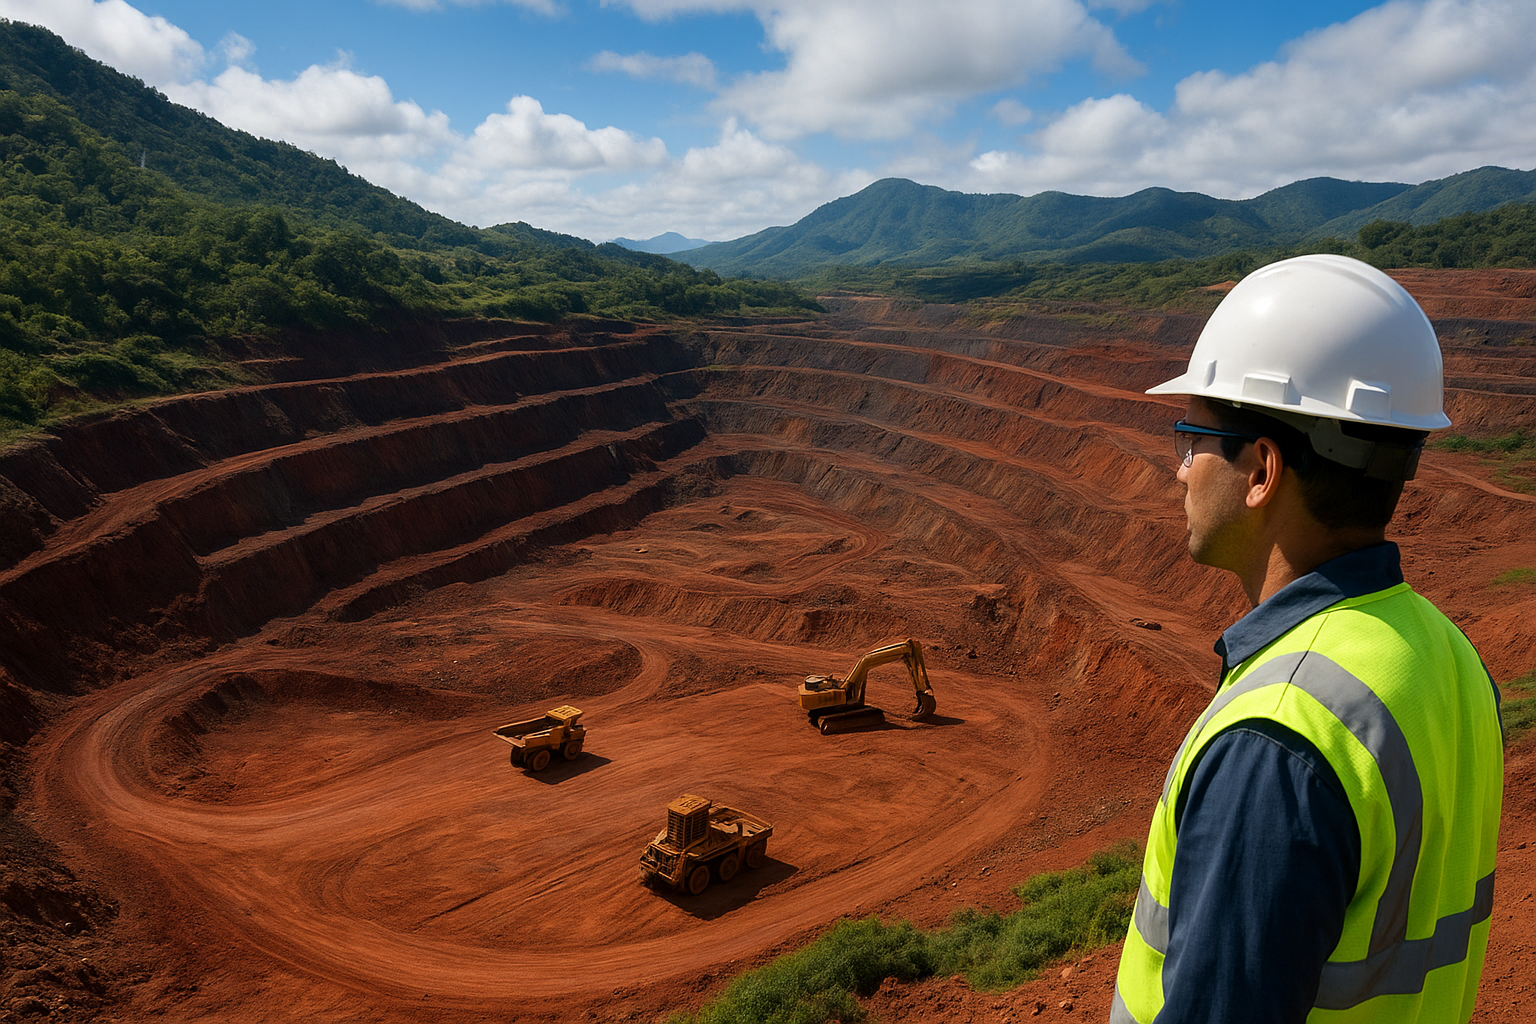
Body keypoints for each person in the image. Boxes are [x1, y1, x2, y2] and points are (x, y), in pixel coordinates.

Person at [1110, 254, 1504, 1023]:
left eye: (1193, 437)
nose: (1180, 471)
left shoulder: (1277, 740)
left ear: (1262, 469)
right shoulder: (1450, 657)